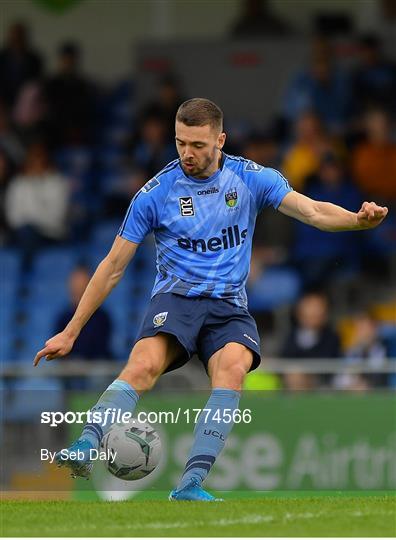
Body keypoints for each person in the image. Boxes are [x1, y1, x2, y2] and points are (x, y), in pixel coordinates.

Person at [33, 98, 388, 502]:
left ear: (220, 140)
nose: (187, 152)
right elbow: (113, 265)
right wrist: (72, 330)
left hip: (228, 306)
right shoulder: (155, 194)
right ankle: (86, 444)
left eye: (198, 144)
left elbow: (311, 211)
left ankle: (190, 484)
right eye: (181, 142)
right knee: (144, 364)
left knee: (234, 371)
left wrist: (356, 220)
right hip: (177, 298)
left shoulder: (250, 178)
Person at [280, 291, 341, 390]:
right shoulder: (290, 336)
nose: (313, 312)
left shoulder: (332, 337)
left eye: (317, 308)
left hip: (323, 383)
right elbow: (284, 359)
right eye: (309, 307)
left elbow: (331, 364)